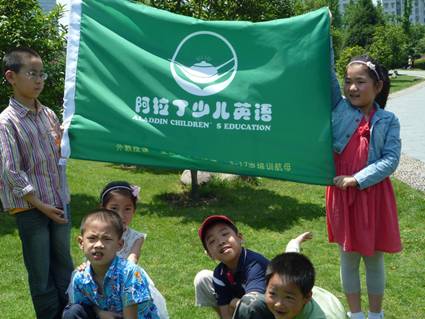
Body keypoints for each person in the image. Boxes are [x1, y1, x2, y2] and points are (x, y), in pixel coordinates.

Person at [0, 47, 74, 319]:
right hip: (32, 210)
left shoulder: (50, 115)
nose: (39, 79)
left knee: (65, 268)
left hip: (59, 204)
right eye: (32, 73)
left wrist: (66, 139)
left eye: (42, 73)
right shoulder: (6, 122)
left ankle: (70, 314)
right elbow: (10, 171)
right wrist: (42, 206)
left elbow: (58, 159)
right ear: (11, 76)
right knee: (41, 275)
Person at [326, 54, 402, 319]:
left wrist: (358, 178)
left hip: (373, 196)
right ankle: (356, 314)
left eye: (360, 82)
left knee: (374, 259)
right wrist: (325, 32)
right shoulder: (338, 107)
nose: (352, 88)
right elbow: (325, 73)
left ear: (377, 86)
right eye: (348, 81)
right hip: (341, 196)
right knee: (348, 258)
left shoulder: (388, 120)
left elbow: (391, 159)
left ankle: (375, 314)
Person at [194, 215, 315, 319]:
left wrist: (232, 301)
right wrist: (229, 303)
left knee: (249, 303)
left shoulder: (255, 264)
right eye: (212, 241)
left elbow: (251, 305)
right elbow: (225, 309)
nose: (220, 241)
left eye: (225, 234)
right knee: (202, 277)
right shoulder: (219, 273)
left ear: (240, 238)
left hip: (275, 309)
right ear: (209, 254)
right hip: (253, 304)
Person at [63, 209, 160, 319]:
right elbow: (84, 307)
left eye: (106, 239)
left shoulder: (129, 273)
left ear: (119, 244)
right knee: (72, 311)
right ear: (81, 243)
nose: (98, 245)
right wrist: (99, 313)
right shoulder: (80, 277)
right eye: (92, 238)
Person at [99, 181, 169, 319]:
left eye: (127, 209)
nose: (121, 215)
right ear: (103, 209)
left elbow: (132, 258)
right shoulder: (98, 234)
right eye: (114, 208)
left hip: (126, 278)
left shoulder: (136, 237)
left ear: (134, 210)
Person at [263, 252, 345, 319]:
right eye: (272, 293)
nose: (278, 304)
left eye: (288, 297)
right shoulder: (293, 292)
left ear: (307, 297)